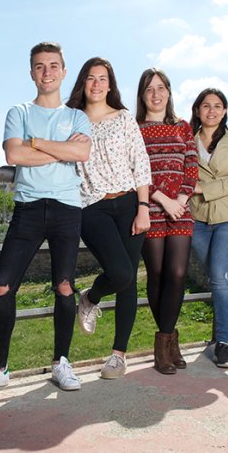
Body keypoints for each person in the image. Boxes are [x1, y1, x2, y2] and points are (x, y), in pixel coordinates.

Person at [0, 42, 92, 392]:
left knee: (64, 286)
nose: (46, 72)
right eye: (39, 66)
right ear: (31, 72)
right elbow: (14, 154)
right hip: (28, 207)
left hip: (66, 209)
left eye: (53, 66)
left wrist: (36, 144)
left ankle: (61, 363)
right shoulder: (18, 111)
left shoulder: (77, 117)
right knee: (3, 286)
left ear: (64, 71)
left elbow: (81, 151)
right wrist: (56, 149)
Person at [66, 57, 151, 380]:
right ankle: (91, 297)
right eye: (91, 78)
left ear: (111, 84)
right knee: (120, 273)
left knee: (129, 280)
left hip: (129, 202)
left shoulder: (125, 118)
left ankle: (118, 355)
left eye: (104, 78)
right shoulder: (71, 121)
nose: (98, 84)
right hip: (92, 205)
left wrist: (143, 207)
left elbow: (140, 163)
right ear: (83, 83)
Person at [135, 68, 198, 375]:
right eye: (150, 90)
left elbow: (192, 166)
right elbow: (138, 171)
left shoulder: (183, 127)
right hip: (151, 207)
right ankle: (166, 347)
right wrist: (163, 200)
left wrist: (182, 200)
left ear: (169, 92)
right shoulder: (136, 129)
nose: (156, 94)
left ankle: (167, 341)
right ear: (142, 95)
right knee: (157, 273)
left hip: (181, 209)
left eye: (161, 88)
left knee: (177, 272)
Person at [188, 88, 228, 369]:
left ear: (225, 111)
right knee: (220, 278)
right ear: (198, 110)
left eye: (217, 106)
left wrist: (205, 187)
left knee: (220, 277)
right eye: (206, 105)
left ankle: (223, 343)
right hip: (199, 220)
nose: (211, 111)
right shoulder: (188, 141)